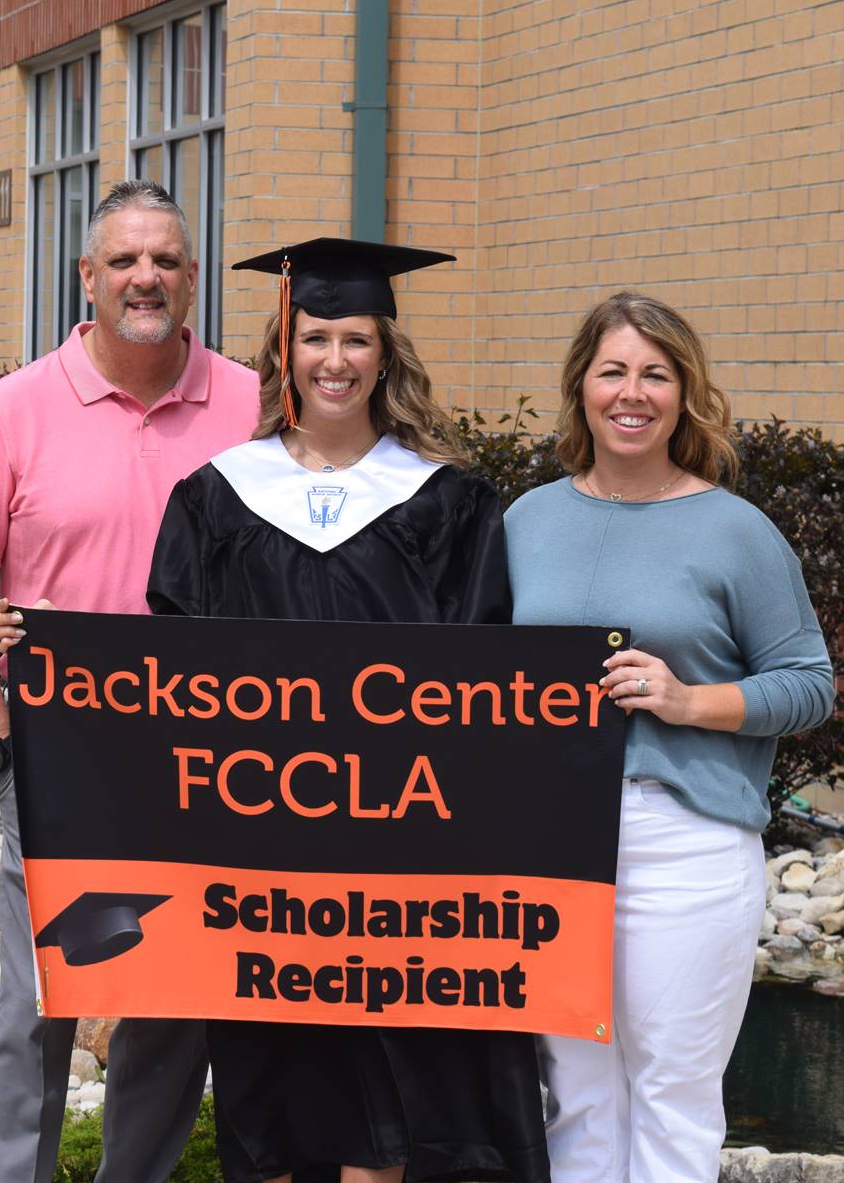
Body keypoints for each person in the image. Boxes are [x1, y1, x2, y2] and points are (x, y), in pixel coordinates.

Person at [143, 237, 550, 1183]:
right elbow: (166, 676)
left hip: (404, 865)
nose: (334, 360)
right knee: (268, 1085)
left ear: (386, 353)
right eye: (315, 336)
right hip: (258, 863)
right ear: (282, 352)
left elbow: (487, 676)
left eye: (356, 339)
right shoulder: (215, 499)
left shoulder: (451, 503)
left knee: (400, 1099)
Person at [0, 179, 259, 1183]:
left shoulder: (250, 406)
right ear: (88, 277)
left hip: (209, 758)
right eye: (124, 260)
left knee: (173, 998)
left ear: (191, 279)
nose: (144, 277)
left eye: (164, 260)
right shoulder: (15, 411)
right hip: (61, 755)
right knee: (39, 997)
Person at [503, 291, 834, 1182]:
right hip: (551, 842)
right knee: (573, 1095)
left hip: (681, 841)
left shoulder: (734, 530)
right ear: (581, 389)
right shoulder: (527, 522)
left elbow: (809, 685)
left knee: (672, 1097)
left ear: (686, 394)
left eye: (656, 374)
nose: (632, 393)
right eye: (613, 371)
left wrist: (689, 701)